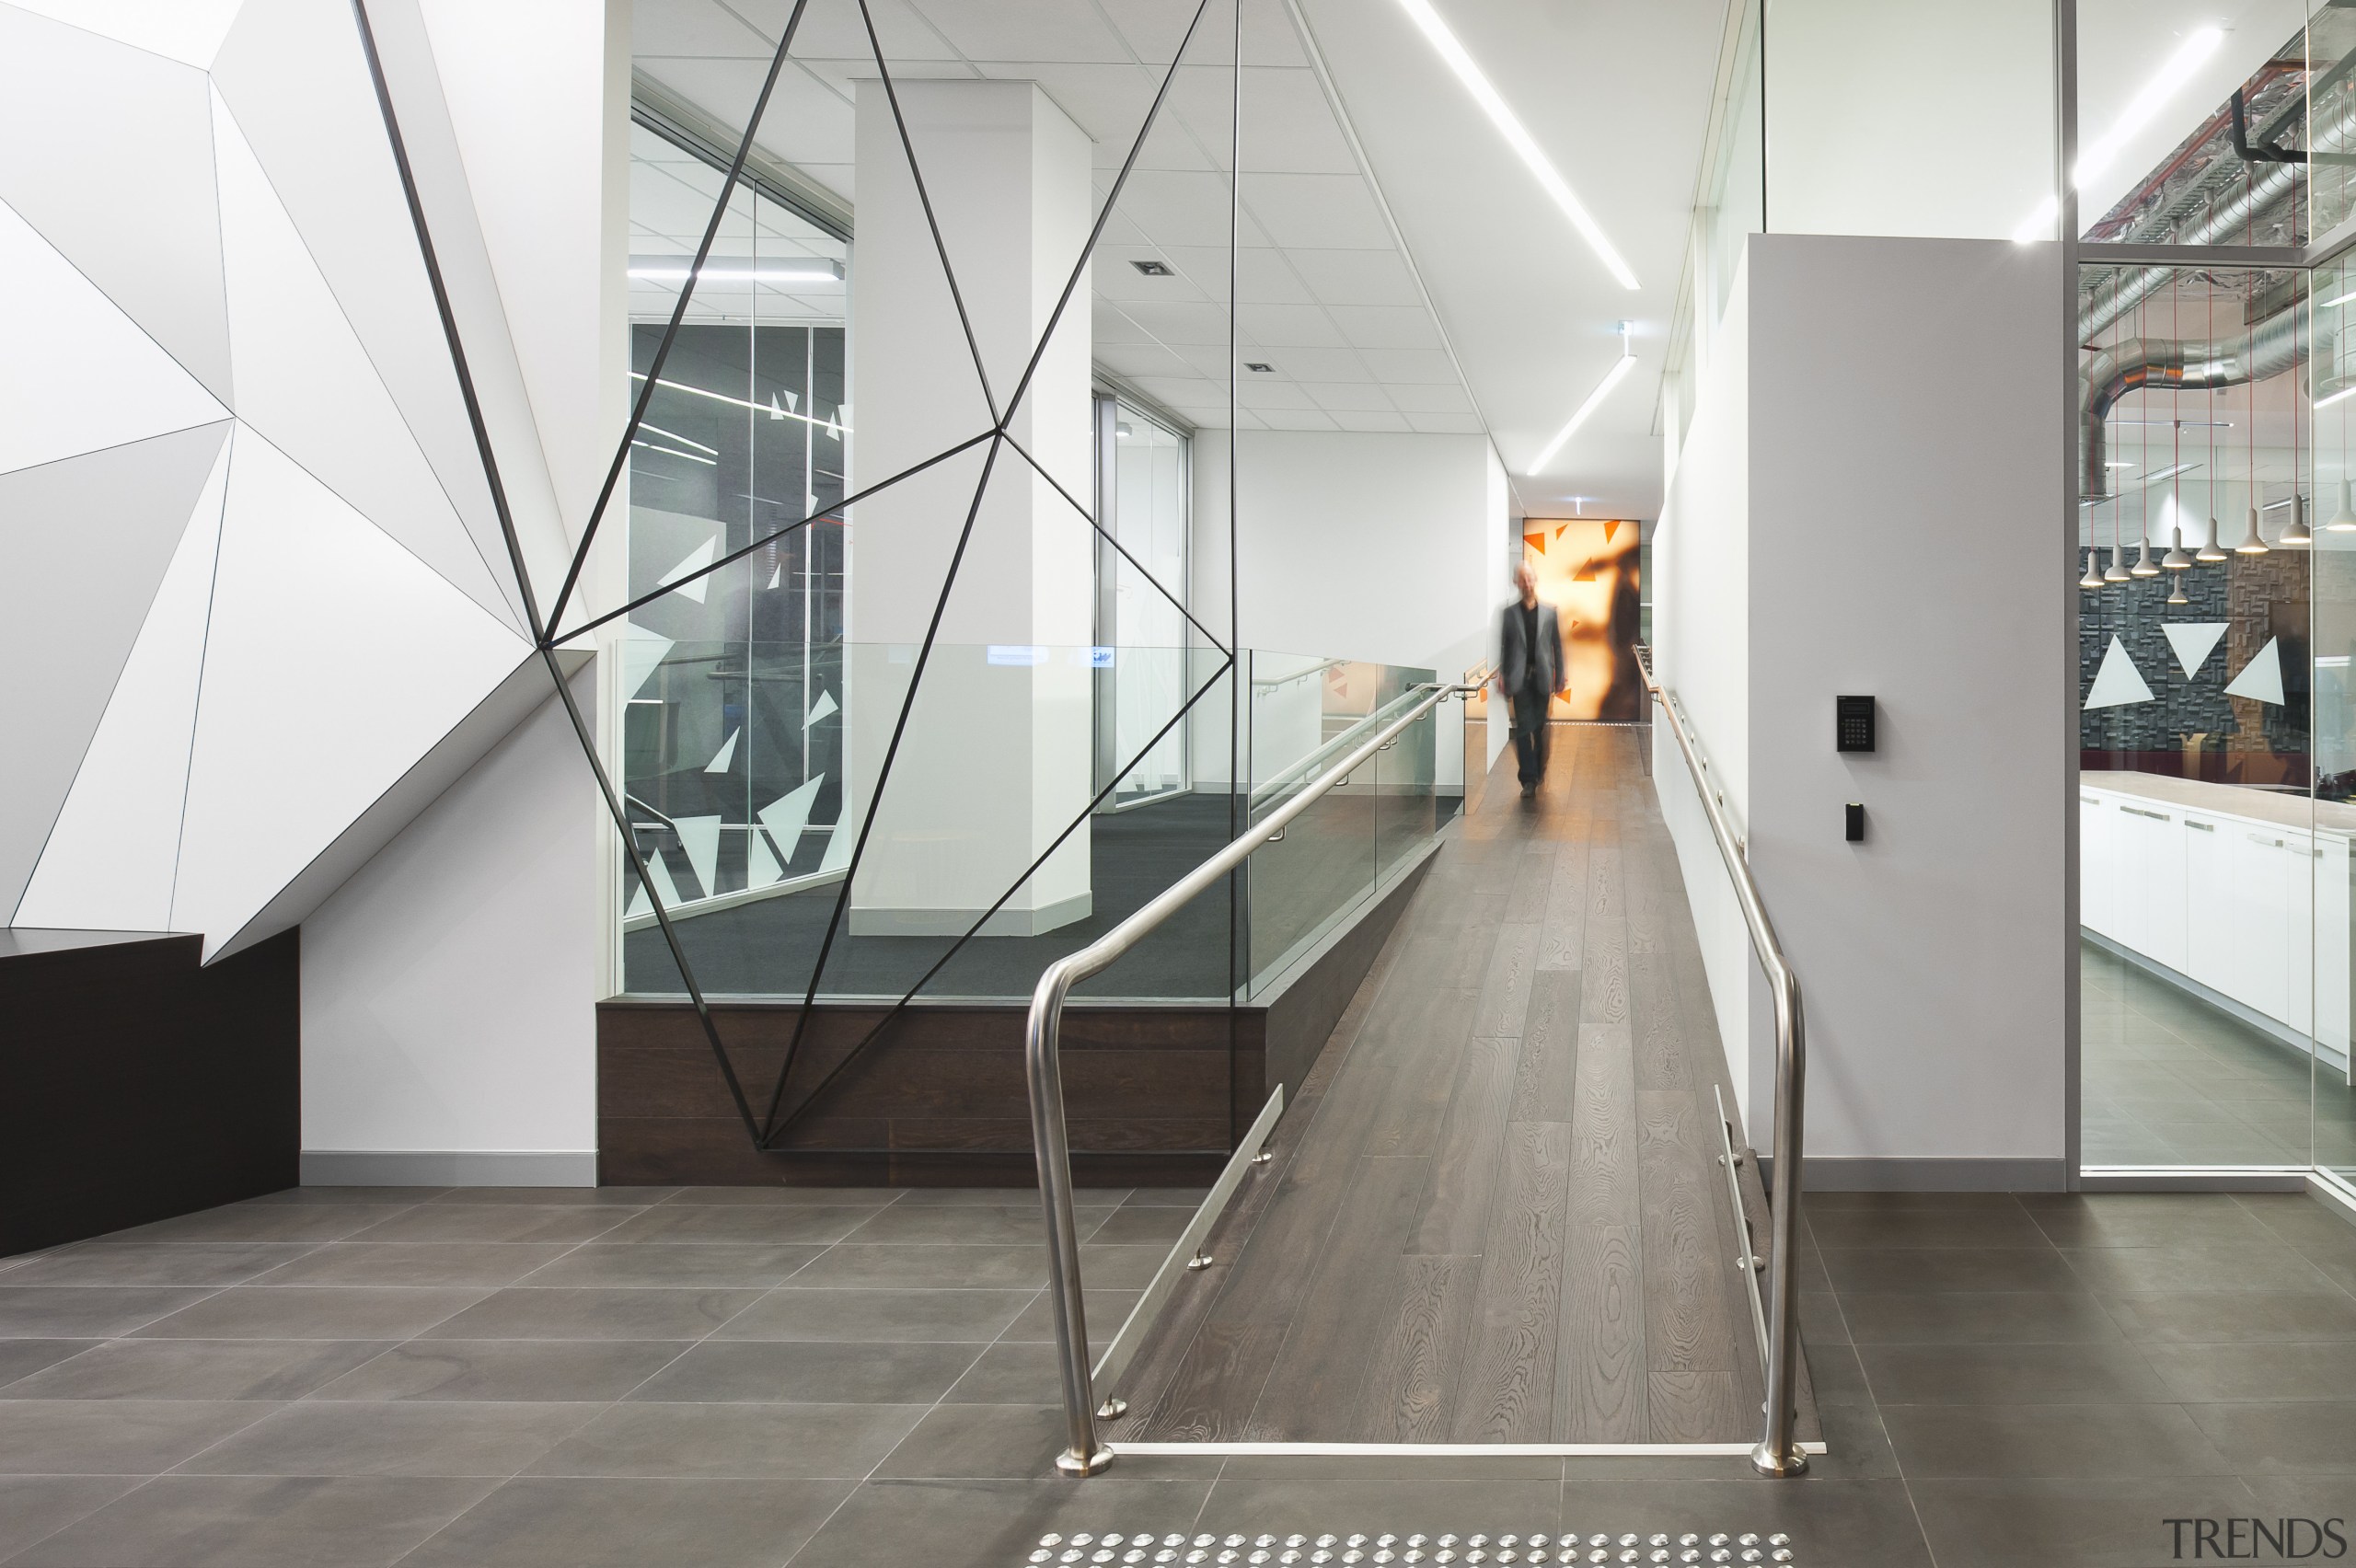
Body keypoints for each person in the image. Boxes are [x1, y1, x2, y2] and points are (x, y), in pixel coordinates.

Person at [1496, 559, 1567, 798]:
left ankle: (1539, 770)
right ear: (1516, 582)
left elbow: (1557, 645)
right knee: (1523, 728)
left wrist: (1561, 676)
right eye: (1522, 579)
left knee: (1540, 727)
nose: (1526, 583)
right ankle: (1528, 779)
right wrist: (1502, 676)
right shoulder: (1508, 614)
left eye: (1529, 578)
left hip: (1543, 678)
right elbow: (1505, 647)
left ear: (1534, 580)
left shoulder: (1549, 612)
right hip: (1520, 680)